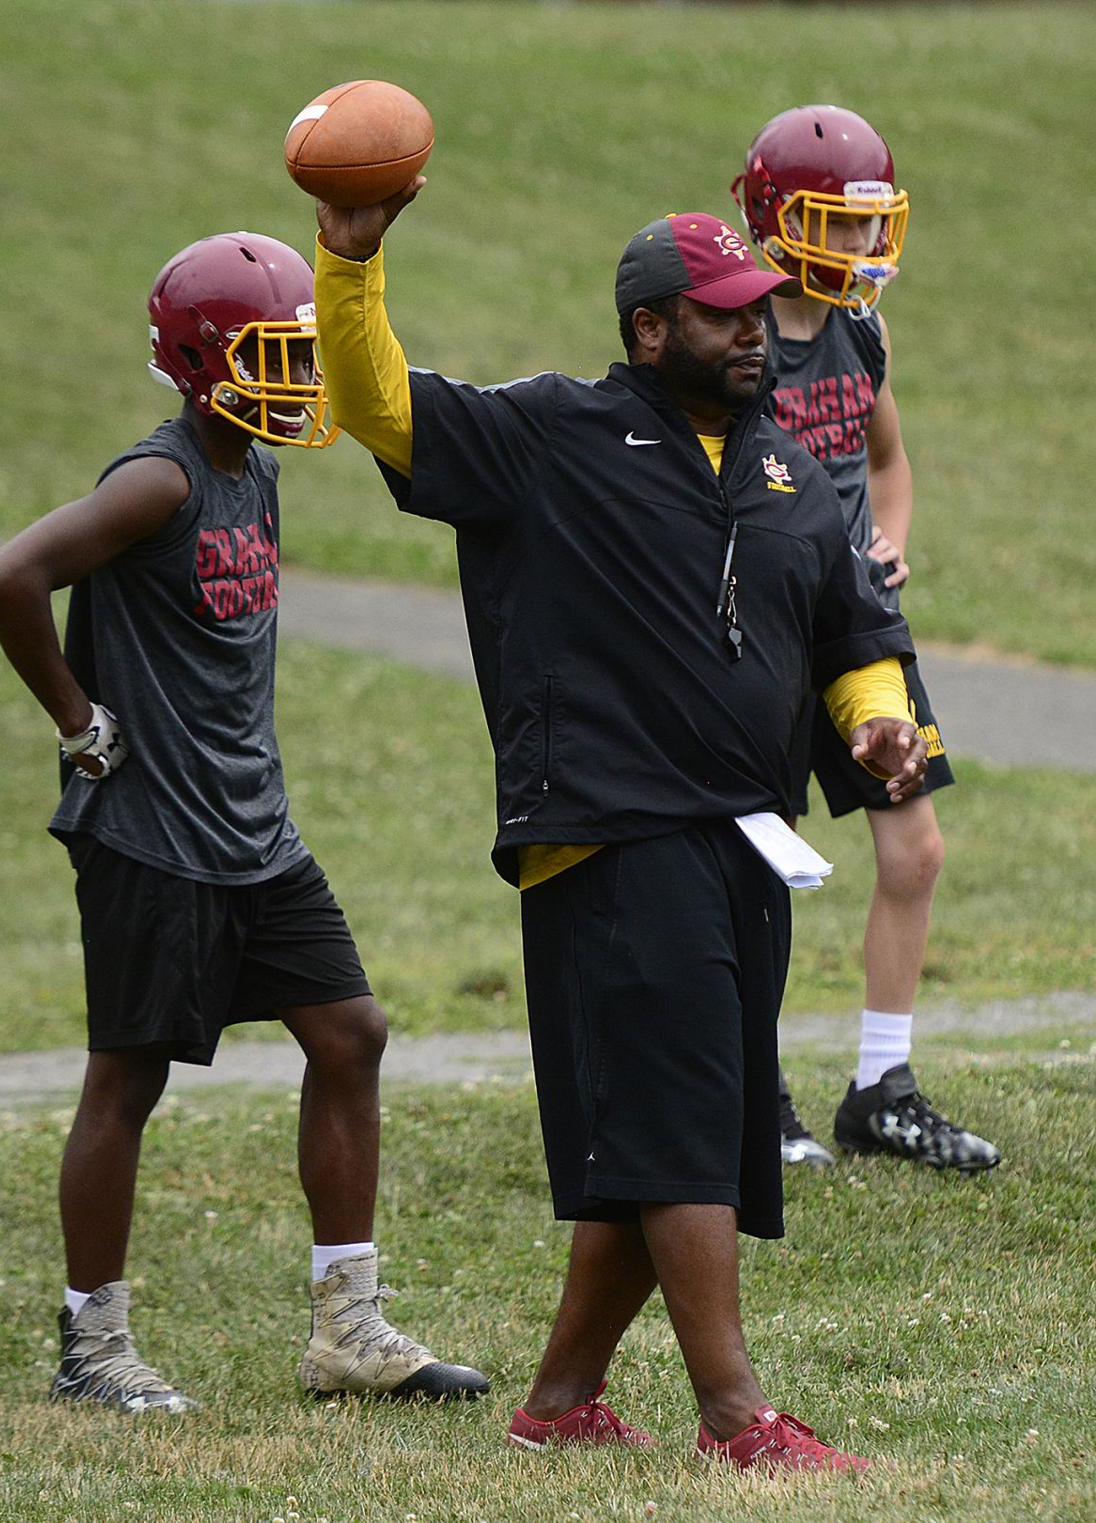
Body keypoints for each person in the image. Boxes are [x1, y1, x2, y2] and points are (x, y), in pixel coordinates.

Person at [311, 189, 931, 1470]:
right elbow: (383, 407)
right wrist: (349, 262)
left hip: (746, 837)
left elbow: (854, 635)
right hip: (611, 829)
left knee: (671, 1125)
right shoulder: (553, 433)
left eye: (758, 312)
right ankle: (736, 1417)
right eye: (723, 315)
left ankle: (556, 1404)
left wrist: (877, 722)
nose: (754, 332)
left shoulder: (790, 473)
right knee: (686, 1117)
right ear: (650, 329)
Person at [0, 231, 487, 1413]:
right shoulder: (158, 480)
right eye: (276, 357)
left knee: (350, 1032)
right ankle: (92, 1345)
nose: (298, 380)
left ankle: (346, 1327)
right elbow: (7, 576)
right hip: (151, 834)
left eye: (303, 356)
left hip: (256, 831)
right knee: (128, 1077)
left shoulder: (255, 467)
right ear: (205, 362)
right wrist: (77, 718)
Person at [731, 104, 1001, 1174]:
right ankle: (753, 1091)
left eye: (871, 221)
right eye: (837, 222)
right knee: (760, 866)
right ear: (775, 219)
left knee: (915, 847)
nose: (861, 243)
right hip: (762, 635)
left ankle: (881, 1086)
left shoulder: (863, 332)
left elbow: (885, 460)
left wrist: (888, 542)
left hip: (859, 629)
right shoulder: (736, 338)